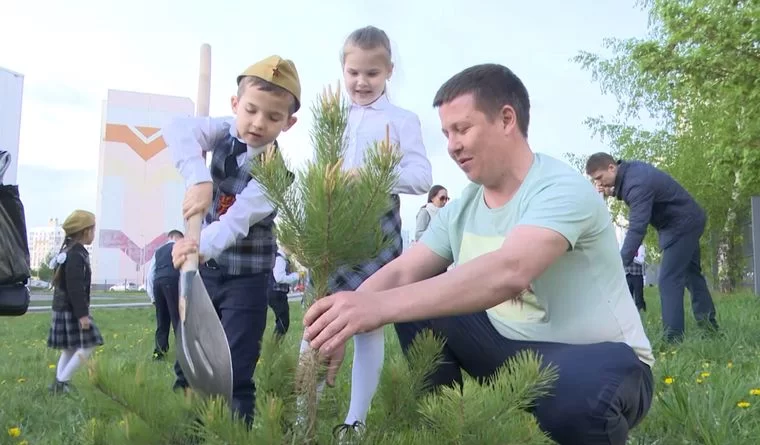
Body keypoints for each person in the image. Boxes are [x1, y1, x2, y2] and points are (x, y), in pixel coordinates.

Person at [303, 64, 655, 445]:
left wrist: (379, 308)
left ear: (506, 119)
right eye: (446, 133)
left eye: (462, 129)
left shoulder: (560, 188)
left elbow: (510, 271)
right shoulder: (461, 206)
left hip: (602, 361)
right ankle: (448, 430)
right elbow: (403, 272)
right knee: (415, 309)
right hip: (506, 350)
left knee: (587, 395)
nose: (452, 145)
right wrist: (341, 319)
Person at [163, 54, 301, 425]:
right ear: (235, 104)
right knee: (188, 361)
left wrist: (195, 246)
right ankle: (184, 430)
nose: (258, 123)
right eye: (251, 110)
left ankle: (233, 431)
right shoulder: (221, 130)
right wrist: (198, 176)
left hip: (247, 279)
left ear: (289, 123)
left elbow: (233, 225)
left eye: (273, 117)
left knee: (236, 371)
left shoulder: (277, 177)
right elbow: (177, 130)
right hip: (204, 275)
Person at [316, 25, 432, 436]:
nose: (361, 82)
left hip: (378, 232)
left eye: (372, 73)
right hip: (332, 230)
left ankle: (356, 421)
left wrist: (371, 176)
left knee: (369, 324)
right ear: (342, 70)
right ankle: (302, 414)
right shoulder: (331, 116)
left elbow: (421, 176)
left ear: (388, 72)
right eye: (354, 73)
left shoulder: (402, 120)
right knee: (318, 321)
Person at [585, 152, 719, 341]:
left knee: (668, 280)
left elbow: (637, 228)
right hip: (686, 220)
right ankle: (710, 330)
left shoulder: (637, 183)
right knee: (692, 276)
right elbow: (630, 193)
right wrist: (612, 191)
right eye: (594, 180)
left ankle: (673, 338)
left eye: (599, 178)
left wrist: (619, 262)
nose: (599, 183)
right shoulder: (632, 174)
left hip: (682, 225)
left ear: (611, 168)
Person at [47, 210, 103, 394]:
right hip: (71, 310)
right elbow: (75, 288)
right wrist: (82, 315)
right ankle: (63, 380)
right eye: (93, 230)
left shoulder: (70, 251)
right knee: (89, 343)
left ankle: (58, 384)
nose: (94, 234)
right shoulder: (75, 255)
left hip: (63, 308)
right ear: (85, 231)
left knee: (70, 348)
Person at [145, 229, 183, 360]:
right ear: (178, 238)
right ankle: (183, 354)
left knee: (162, 321)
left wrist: (152, 297)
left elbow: (150, 274)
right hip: (173, 282)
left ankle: (159, 353)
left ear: (169, 237)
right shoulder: (180, 248)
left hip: (158, 284)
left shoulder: (158, 251)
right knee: (177, 320)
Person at [268, 244, 299, 336]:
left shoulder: (279, 258)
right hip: (276, 293)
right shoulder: (280, 259)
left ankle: (274, 344)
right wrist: (296, 276)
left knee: (282, 320)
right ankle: (274, 345)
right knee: (283, 321)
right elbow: (279, 278)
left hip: (275, 292)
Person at [625, 244, 646, 311]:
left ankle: (641, 313)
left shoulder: (641, 247)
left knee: (639, 298)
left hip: (637, 275)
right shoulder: (626, 246)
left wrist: (631, 257)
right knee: (627, 297)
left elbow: (641, 260)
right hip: (627, 275)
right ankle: (628, 313)